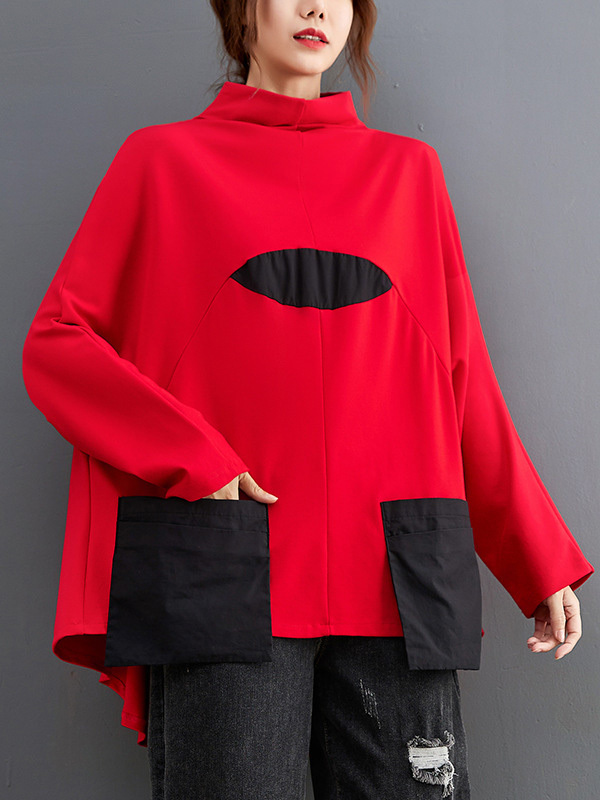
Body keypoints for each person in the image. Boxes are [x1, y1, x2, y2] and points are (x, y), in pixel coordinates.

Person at [21, 1, 594, 798]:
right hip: (225, 573)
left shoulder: (409, 174)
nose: (317, 6)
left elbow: (460, 379)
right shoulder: (162, 162)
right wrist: (193, 458)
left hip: (398, 577)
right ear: (241, 12)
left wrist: (539, 562)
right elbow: (57, 344)